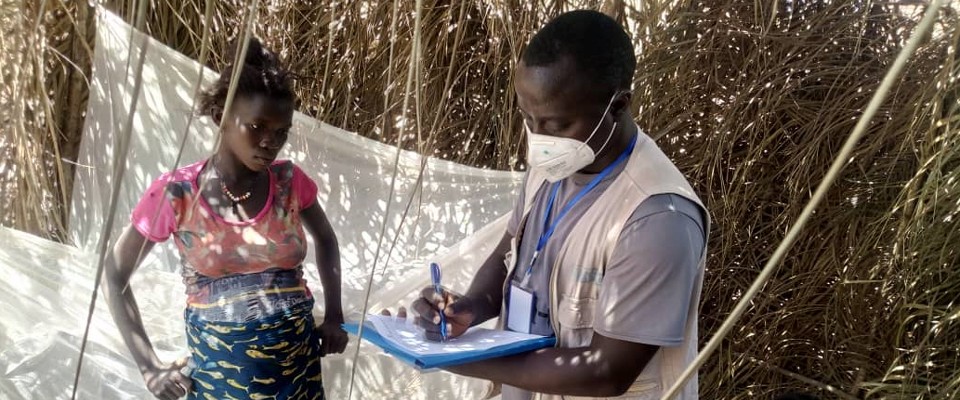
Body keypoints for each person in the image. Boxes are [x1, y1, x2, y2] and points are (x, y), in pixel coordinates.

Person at [408, 10, 709, 399]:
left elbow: (606, 372)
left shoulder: (656, 217)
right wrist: (467, 309)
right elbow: (507, 256)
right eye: (527, 117)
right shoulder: (553, 165)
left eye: (555, 123)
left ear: (617, 106)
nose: (537, 137)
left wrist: (452, 355)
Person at [102, 38, 347, 400]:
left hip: (298, 376)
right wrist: (149, 366)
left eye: (281, 132)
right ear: (221, 118)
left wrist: (334, 317)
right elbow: (114, 274)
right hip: (223, 382)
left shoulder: (290, 182)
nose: (270, 142)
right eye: (257, 127)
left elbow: (327, 240)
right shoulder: (177, 194)